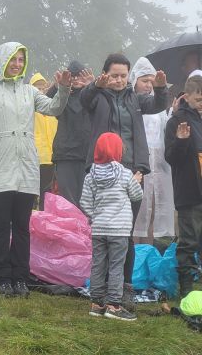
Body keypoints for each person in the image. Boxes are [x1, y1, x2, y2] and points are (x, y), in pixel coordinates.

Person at [0, 41, 71, 298]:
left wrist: (63, 88)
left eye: (20, 60)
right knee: (2, 224)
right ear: (4, 61)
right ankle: (3, 275)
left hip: (26, 162)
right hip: (0, 159)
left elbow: (54, 108)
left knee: (23, 225)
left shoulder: (30, 92)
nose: (17, 64)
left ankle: (21, 276)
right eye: (12, 59)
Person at [81, 53, 167, 310]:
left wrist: (161, 87)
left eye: (123, 75)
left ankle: (123, 289)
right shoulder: (97, 95)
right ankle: (101, 291)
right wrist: (96, 85)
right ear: (105, 74)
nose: (119, 80)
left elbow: (158, 104)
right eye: (114, 75)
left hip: (132, 173)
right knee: (103, 233)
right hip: (103, 173)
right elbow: (84, 100)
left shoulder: (135, 98)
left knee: (124, 233)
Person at [81, 132, 143, 321]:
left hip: (99, 229)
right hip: (119, 230)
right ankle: (114, 305)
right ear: (118, 152)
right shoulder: (124, 174)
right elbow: (137, 196)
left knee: (98, 264)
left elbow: (84, 202)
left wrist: (95, 216)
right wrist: (136, 181)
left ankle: (97, 303)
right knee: (116, 266)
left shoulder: (90, 175)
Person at [129, 57, 175, 242]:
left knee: (153, 213)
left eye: (151, 81)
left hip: (158, 169)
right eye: (144, 81)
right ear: (134, 82)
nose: (148, 85)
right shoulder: (131, 106)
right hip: (137, 167)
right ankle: (132, 259)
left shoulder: (160, 110)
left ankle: (147, 255)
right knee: (135, 213)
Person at [165, 75, 202, 298]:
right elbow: (170, 158)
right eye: (199, 98)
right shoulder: (176, 121)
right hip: (189, 192)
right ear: (187, 97)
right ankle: (186, 288)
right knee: (188, 241)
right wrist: (180, 140)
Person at [47, 61, 93, 207]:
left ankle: (86, 230)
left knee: (87, 200)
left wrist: (92, 87)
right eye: (73, 77)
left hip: (87, 156)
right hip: (65, 155)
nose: (76, 80)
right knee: (68, 201)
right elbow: (47, 102)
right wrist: (58, 86)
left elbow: (105, 104)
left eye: (80, 76)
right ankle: (71, 230)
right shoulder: (63, 96)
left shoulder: (90, 96)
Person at [31, 73, 58, 210]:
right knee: (31, 193)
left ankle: (43, 218)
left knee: (46, 192)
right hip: (35, 157)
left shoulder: (52, 109)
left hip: (51, 157)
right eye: (37, 88)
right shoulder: (30, 109)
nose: (40, 91)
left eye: (42, 88)